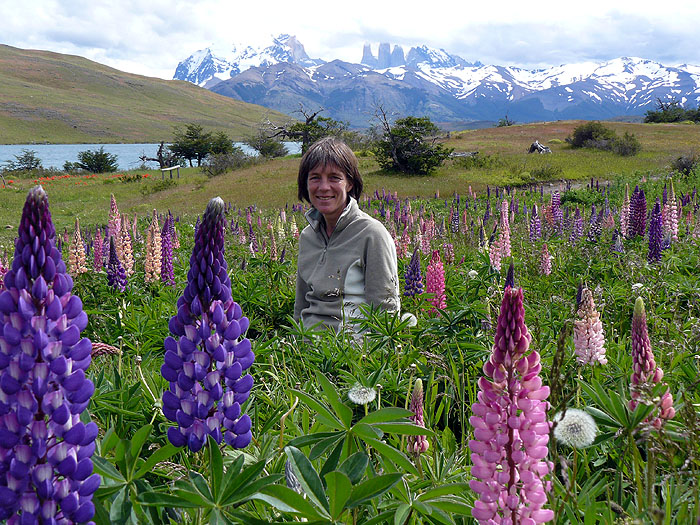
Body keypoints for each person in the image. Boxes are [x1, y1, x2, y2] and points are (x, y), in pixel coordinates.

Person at [294, 136, 400, 332]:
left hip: (350, 352)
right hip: (305, 350)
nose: (324, 187)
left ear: (350, 183)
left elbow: (386, 310)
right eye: (315, 177)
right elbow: (301, 307)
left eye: (334, 177)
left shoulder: (372, 234)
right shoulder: (307, 236)